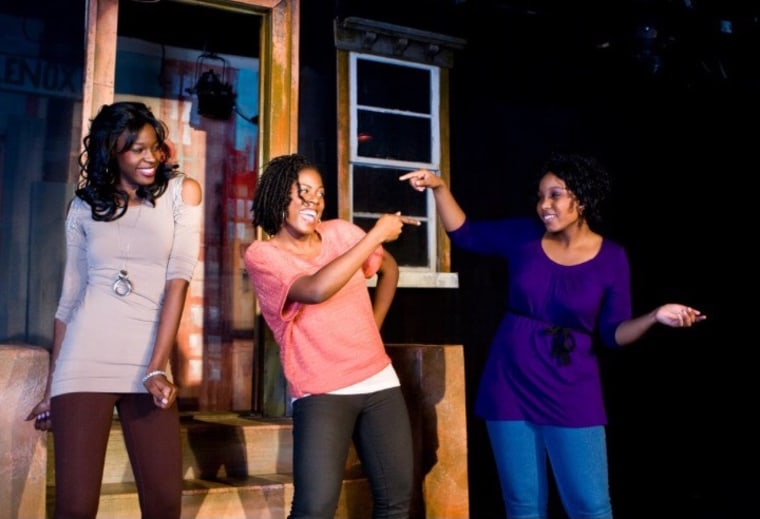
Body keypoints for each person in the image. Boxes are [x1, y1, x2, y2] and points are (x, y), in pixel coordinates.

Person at [400, 153, 706, 519]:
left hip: (572, 388)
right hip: (508, 382)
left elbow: (613, 333)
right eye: (541, 196)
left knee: (590, 506)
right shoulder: (523, 236)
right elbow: (465, 233)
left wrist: (655, 316)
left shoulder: (612, 258)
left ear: (583, 197)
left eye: (555, 195)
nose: (544, 205)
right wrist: (439, 188)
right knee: (523, 505)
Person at [25, 101, 203, 519]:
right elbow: (70, 298)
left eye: (154, 147)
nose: (149, 158)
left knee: (163, 504)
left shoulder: (181, 193)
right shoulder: (83, 207)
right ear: (112, 152)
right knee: (75, 507)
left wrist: (157, 366)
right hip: (83, 358)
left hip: (147, 361)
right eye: (135, 149)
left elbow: (179, 279)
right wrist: (52, 385)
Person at [243, 153, 419, 519]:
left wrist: (372, 327)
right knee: (315, 509)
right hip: (321, 391)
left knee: (396, 503)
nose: (314, 201)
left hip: (379, 383)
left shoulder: (341, 233)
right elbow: (316, 289)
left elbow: (388, 269)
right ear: (278, 197)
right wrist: (374, 235)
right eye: (302, 192)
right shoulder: (263, 255)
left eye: (319, 194)